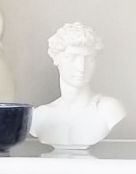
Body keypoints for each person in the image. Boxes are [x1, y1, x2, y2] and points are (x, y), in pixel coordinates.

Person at [30, 22, 125, 150]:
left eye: (89, 59)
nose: (81, 67)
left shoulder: (109, 110)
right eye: (72, 57)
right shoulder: (39, 116)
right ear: (55, 57)